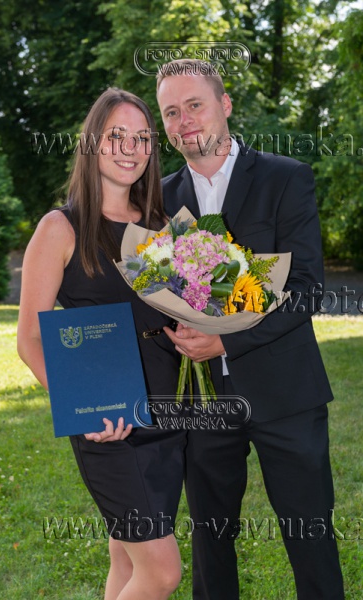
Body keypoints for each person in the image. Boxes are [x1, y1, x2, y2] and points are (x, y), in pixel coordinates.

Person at [156, 59, 344, 599]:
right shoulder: (159, 198)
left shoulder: (285, 178)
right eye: (171, 112)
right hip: (202, 400)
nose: (184, 121)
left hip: (287, 393)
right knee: (211, 542)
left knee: (309, 536)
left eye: (195, 105)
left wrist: (225, 339)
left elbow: (305, 288)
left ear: (225, 105)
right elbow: (155, 289)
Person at [17, 88, 187, 600]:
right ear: (92, 143)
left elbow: (184, 309)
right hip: (109, 426)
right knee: (162, 572)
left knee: (126, 556)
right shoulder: (60, 227)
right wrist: (83, 407)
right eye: (117, 135)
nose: (131, 148)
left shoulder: (164, 227)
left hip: (168, 413)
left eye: (142, 138)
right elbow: (30, 338)